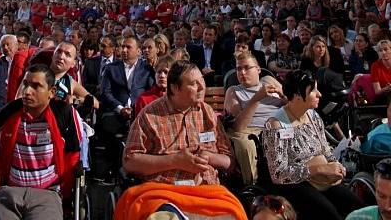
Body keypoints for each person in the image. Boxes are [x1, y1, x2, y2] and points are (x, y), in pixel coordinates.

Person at [118, 61, 245, 220]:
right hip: (165, 192)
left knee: (234, 214)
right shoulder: (150, 116)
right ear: (175, 88)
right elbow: (130, 161)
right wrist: (175, 161)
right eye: (193, 83)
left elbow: (229, 161)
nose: (201, 87)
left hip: (207, 192)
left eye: (201, 81)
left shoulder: (207, 113)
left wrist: (208, 156)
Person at [0, 64, 81, 220]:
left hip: (47, 194)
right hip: (9, 191)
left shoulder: (63, 113)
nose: (27, 91)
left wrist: (65, 191)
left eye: (36, 86)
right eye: (26, 84)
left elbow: (72, 155)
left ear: (52, 92)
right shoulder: (10, 111)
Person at [262, 69, 363, 220]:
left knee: (357, 208)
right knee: (331, 215)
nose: (319, 94)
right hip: (296, 185)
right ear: (297, 95)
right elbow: (278, 174)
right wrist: (316, 170)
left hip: (321, 180)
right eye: (313, 91)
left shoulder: (313, 115)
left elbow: (325, 149)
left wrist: (335, 166)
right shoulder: (276, 125)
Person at [224, 51, 285, 184]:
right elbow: (238, 127)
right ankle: (252, 184)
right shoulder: (234, 91)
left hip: (279, 125)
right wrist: (256, 98)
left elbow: (293, 105)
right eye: (239, 69)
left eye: (247, 67)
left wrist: (284, 95)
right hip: (252, 130)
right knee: (245, 143)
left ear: (258, 70)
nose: (242, 72)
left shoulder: (268, 80)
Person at [100, 36, 154, 135]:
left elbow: (151, 92)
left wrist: (136, 109)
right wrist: (120, 109)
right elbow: (105, 92)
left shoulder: (147, 69)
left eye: (128, 47)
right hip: (115, 113)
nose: (124, 50)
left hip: (140, 113)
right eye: (123, 47)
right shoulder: (110, 68)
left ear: (138, 51)